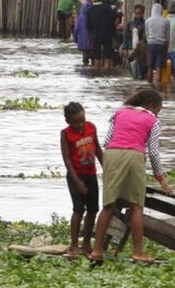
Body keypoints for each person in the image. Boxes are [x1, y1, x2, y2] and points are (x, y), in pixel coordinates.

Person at [89, 89, 173, 264]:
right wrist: (161, 178)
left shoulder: (119, 113)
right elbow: (154, 153)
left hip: (111, 154)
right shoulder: (152, 120)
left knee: (108, 206)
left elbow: (107, 141)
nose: (157, 113)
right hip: (134, 156)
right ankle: (138, 252)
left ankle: (96, 250)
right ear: (151, 105)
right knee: (135, 206)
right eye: (158, 110)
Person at [61, 102, 104, 257]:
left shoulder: (91, 127)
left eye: (82, 121)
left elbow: (98, 149)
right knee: (78, 209)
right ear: (68, 121)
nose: (80, 125)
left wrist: (107, 168)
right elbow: (67, 159)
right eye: (76, 122)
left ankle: (86, 243)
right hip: (75, 176)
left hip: (90, 174)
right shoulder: (65, 134)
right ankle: (74, 244)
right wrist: (77, 181)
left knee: (93, 209)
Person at [86, 0, 117, 69]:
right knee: (107, 58)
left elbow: (88, 25)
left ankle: (97, 75)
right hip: (107, 34)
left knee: (96, 58)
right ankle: (106, 75)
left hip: (95, 35)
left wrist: (90, 35)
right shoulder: (107, 8)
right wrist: (113, 31)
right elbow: (112, 20)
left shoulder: (90, 10)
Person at [144, 4, 170, 86]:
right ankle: (158, 86)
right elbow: (168, 36)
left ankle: (149, 85)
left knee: (150, 66)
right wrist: (167, 46)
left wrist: (150, 41)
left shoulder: (148, 21)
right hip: (162, 45)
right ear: (161, 11)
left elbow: (147, 34)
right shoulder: (166, 21)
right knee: (159, 67)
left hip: (151, 44)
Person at [121, 4, 148, 80]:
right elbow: (126, 36)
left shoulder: (145, 24)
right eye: (136, 14)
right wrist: (124, 48)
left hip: (141, 50)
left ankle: (140, 79)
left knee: (140, 67)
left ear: (143, 13)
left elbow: (146, 37)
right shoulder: (130, 24)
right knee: (132, 66)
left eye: (139, 13)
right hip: (131, 47)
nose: (138, 15)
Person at [74, 0, 96, 66]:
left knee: (85, 60)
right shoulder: (91, 16)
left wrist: (76, 39)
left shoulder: (80, 17)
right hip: (91, 41)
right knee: (93, 59)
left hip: (82, 42)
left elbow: (76, 30)